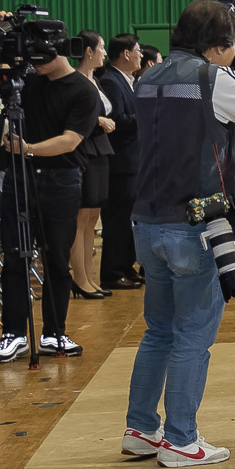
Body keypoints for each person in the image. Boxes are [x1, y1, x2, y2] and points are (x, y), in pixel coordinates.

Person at [121, 0, 235, 468]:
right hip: (194, 225)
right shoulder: (211, 78)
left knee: (158, 331)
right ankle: (180, 439)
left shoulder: (147, 76)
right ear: (220, 46)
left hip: (147, 222)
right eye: (232, 46)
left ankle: (141, 429)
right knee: (194, 335)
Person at [0, 30, 104, 364]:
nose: (37, 66)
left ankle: (54, 332)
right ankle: (13, 334)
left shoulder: (83, 90)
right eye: (33, 60)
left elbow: (70, 140)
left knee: (56, 259)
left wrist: (27, 150)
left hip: (61, 179)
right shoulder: (26, 85)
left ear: (62, 53)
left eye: (43, 60)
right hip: (19, 179)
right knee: (14, 257)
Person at [67, 32, 118, 300]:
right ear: (88, 51)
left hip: (101, 148)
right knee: (80, 216)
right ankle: (80, 278)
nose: (104, 53)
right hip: (84, 146)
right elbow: (72, 116)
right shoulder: (74, 81)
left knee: (92, 216)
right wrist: (97, 120)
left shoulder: (96, 81)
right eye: (100, 48)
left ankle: (89, 276)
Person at [94, 35, 143, 291]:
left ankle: (126, 266)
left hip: (133, 160)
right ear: (125, 54)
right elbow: (115, 119)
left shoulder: (128, 80)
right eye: (137, 51)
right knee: (117, 220)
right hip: (120, 162)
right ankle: (112, 271)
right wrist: (144, 116)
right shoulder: (111, 81)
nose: (141, 56)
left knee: (129, 219)